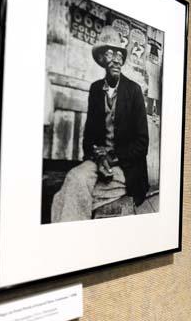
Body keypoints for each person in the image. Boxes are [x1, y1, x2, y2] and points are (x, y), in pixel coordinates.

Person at [51, 25, 150, 222]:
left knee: (77, 193)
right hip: (99, 163)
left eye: (117, 54)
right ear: (102, 60)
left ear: (122, 60)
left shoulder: (134, 91)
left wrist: (112, 156)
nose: (114, 58)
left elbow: (142, 144)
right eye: (108, 54)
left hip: (126, 166)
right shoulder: (96, 89)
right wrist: (98, 157)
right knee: (74, 177)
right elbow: (88, 138)